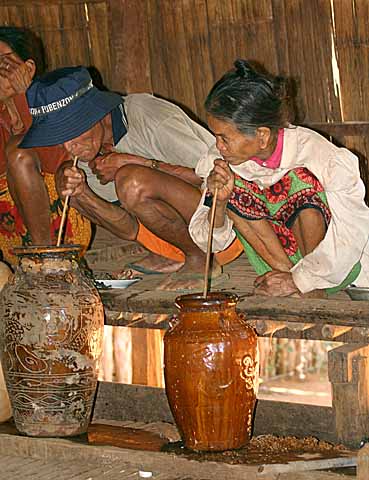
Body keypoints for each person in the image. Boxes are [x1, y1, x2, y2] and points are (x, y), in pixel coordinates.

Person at [19, 66, 242, 290]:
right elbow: (128, 229)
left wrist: (140, 163)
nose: (69, 147)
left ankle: (201, 260)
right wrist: (83, 195)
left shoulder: (150, 119)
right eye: (59, 137)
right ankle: (175, 253)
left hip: (225, 231)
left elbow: (226, 177)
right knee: (67, 179)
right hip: (172, 244)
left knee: (131, 179)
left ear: (95, 113)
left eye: (71, 132)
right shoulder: (85, 154)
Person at [189, 59, 369, 297]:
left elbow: (352, 232)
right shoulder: (222, 160)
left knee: (301, 180)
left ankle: (311, 288)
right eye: (216, 137)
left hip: (335, 266)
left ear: (262, 136)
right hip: (277, 267)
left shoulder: (319, 155)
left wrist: (302, 280)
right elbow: (211, 242)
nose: (218, 146)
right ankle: (290, 279)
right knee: (233, 186)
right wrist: (219, 202)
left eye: (224, 138)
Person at [0, 27, 91, 264]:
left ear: (28, 68)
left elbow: (55, 162)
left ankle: (47, 258)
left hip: (62, 226)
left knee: (19, 151)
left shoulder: (52, 99)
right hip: (11, 232)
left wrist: (23, 96)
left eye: (4, 63)